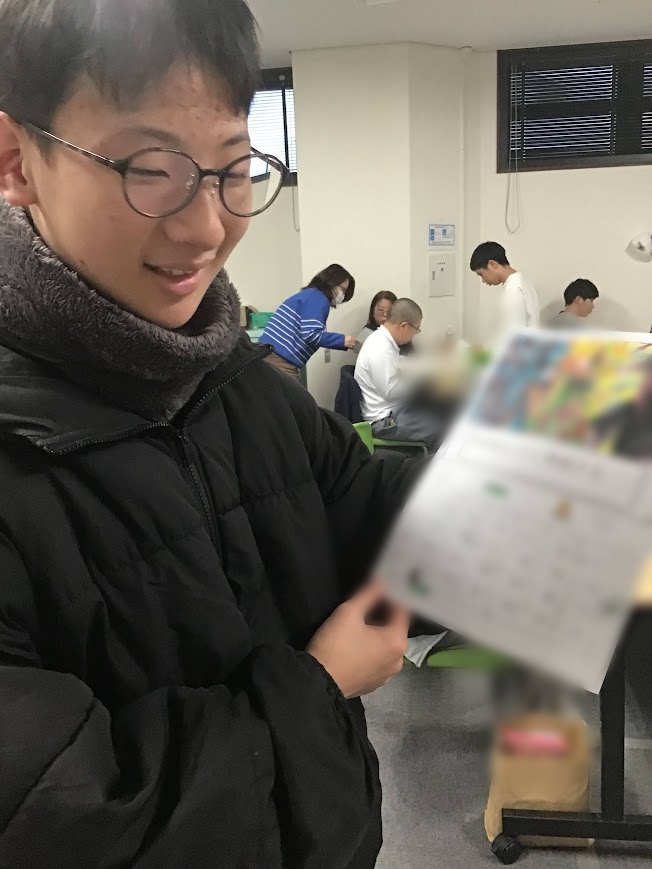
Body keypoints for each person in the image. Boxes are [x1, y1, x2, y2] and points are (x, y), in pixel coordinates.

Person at [0, 2, 417, 866]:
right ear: (16, 161)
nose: (207, 229)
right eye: (150, 169)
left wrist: (563, 485)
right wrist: (322, 682)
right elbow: (67, 822)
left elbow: (383, 516)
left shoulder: (234, 378)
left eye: (234, 169)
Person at [355, 299, 440, 452]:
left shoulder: (384, 341)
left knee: (441, 411)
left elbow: (396, 362)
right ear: (404, 326)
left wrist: (419, 365)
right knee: (442, 430)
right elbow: (391, 392)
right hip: (384, 421)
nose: (415, 334)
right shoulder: (380, 348)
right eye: (416, 329)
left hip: (394, 410)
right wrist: (419, 378)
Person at [261, 264, 357, 378]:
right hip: (279, 360)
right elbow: (311, 334)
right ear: (331, 282)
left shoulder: (310, 294)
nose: (343, 295)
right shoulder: (318, 298)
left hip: (270, 354)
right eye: (343, 290)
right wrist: (343, 340)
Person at [470, 241, 541, 331]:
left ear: (492, 264)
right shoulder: (523, 281)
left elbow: (515, 332)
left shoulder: (513, 287)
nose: (483, 280)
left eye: (481, 274)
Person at [356, 290, 414, 356]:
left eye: (389, 311)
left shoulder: (401, 333)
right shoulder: (368, 333)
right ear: (373, 312)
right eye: (381, 310)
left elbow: (412, 357)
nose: (385, 314)